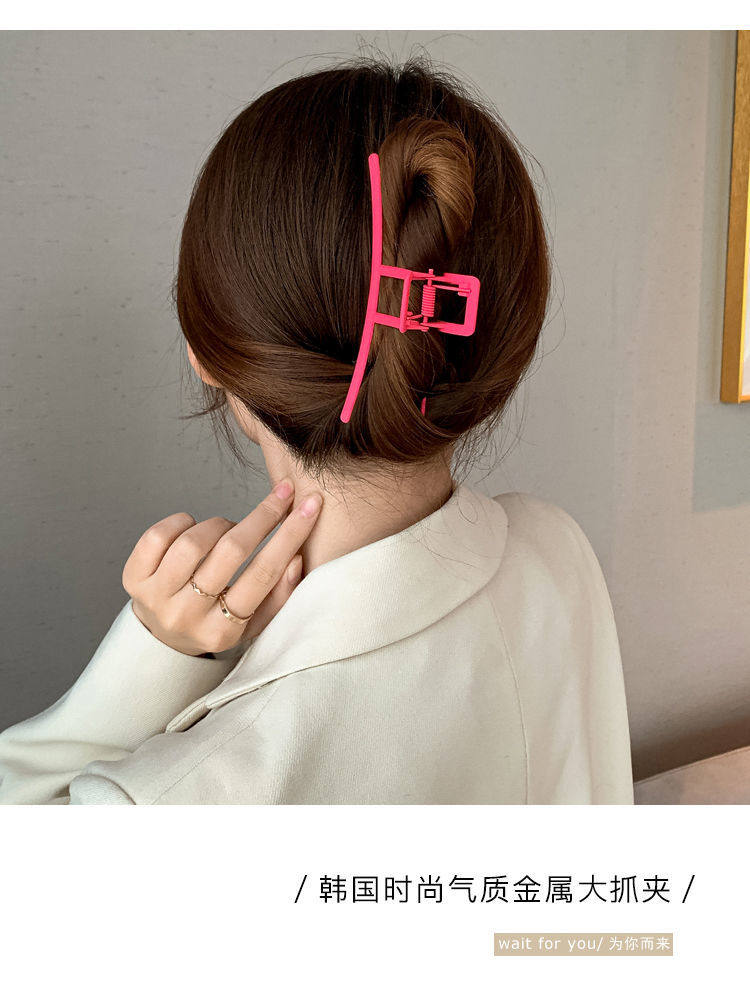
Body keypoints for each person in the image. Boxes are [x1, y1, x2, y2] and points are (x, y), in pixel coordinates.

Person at [0, 58, 633, 805]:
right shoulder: (556, 553)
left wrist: (153, 660)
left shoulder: (163, 809)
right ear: (503, 344)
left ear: (208, 352)